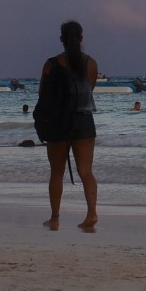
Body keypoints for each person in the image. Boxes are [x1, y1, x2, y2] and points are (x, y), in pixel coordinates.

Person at [36, 21, 98, 231]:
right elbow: (90, 90)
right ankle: (91, 213)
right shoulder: (91, 63)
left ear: (61, 39)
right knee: (86, 171)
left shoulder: (51, 64)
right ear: (81, 38)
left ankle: (55, 218)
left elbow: (43, 95)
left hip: (58, 122)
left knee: (56, 172)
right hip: (84, 120)